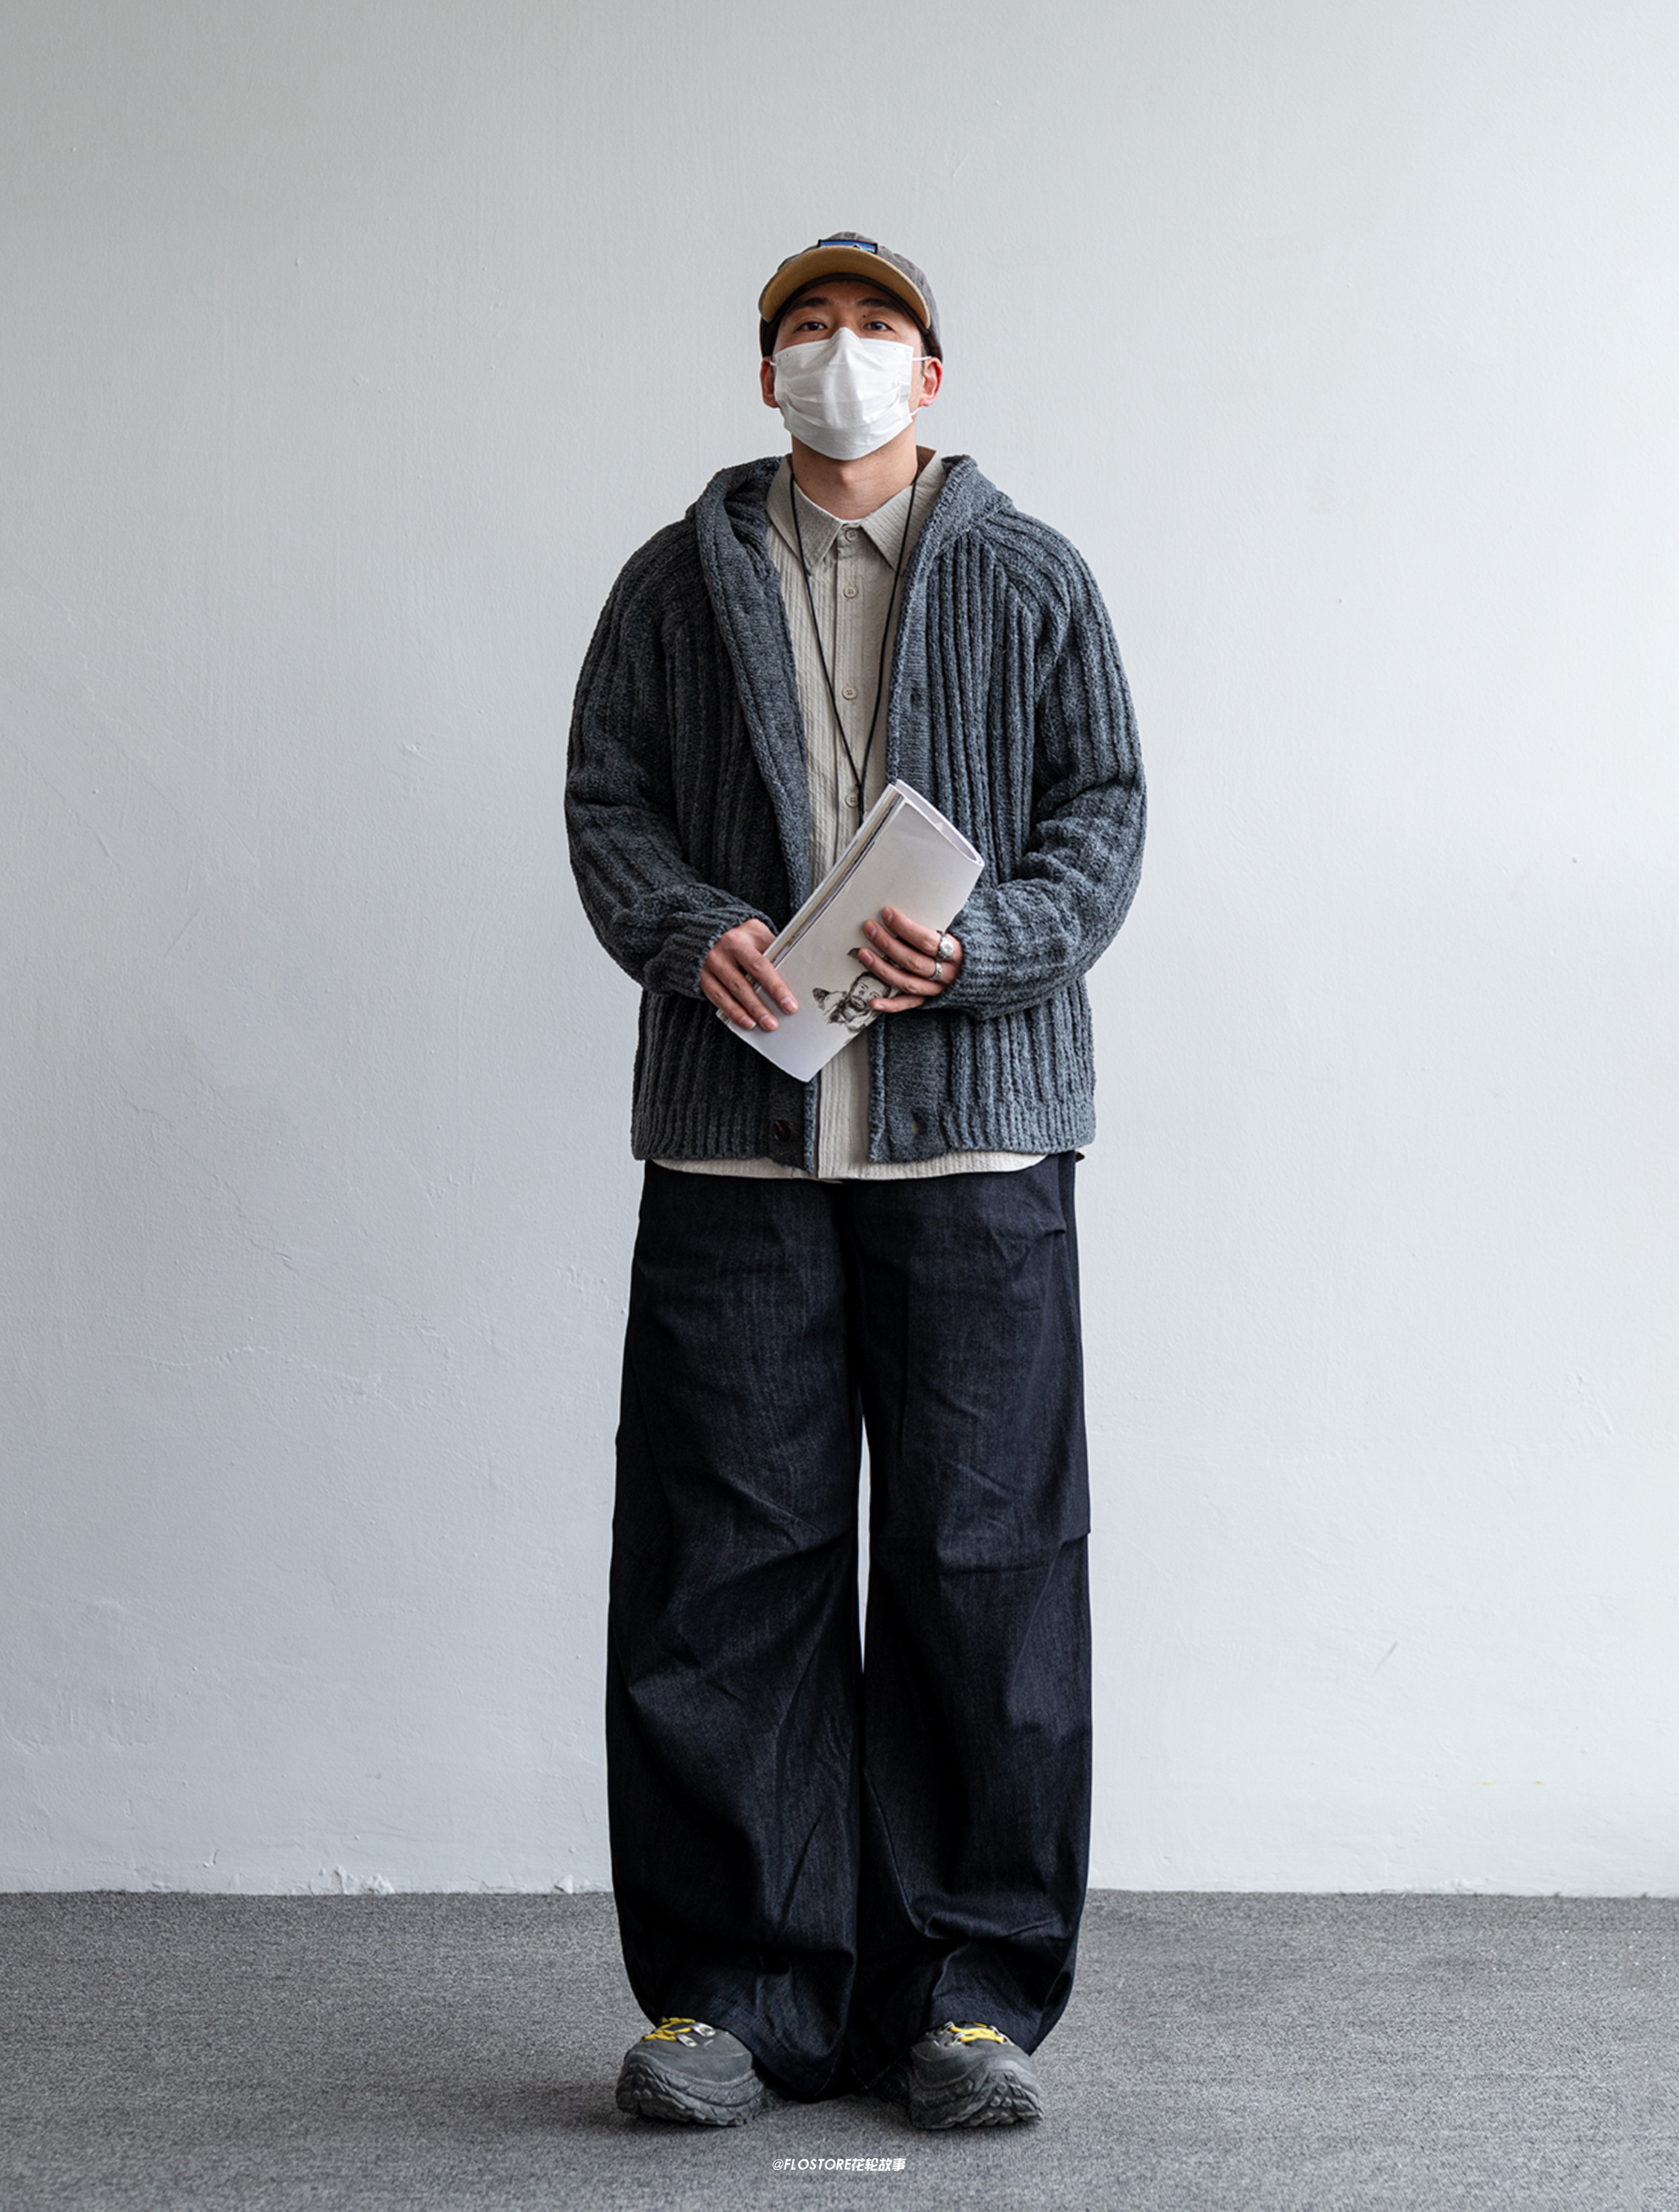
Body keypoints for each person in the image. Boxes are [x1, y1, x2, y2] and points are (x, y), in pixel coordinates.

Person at [565, 232, 1145, 2131]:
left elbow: (1102, 816)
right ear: (763, 375)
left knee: (986, 1565)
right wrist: (687, 930)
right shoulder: (673, 581)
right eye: (804, 329)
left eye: (873, 325)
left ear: (932, 370)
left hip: (973, 1138)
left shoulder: (1030, 575)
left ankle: (964, 2000)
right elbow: (607, 801)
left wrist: (982, 950)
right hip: (735, 1135)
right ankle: (734, 1997)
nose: (840, 353)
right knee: (723, 1565)